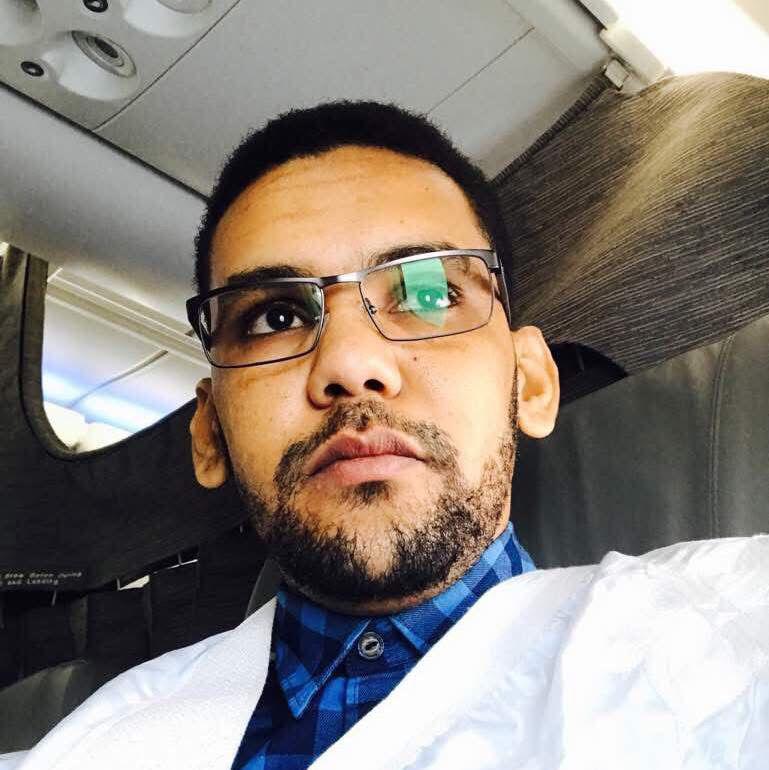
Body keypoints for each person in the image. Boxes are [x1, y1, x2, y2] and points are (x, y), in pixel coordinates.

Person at [4, 101, 767, 770]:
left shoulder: (722, 638)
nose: (350, 364)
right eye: (274, 316)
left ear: (530, 383)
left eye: (427, 292)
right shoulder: (87, 742)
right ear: (209, 436)